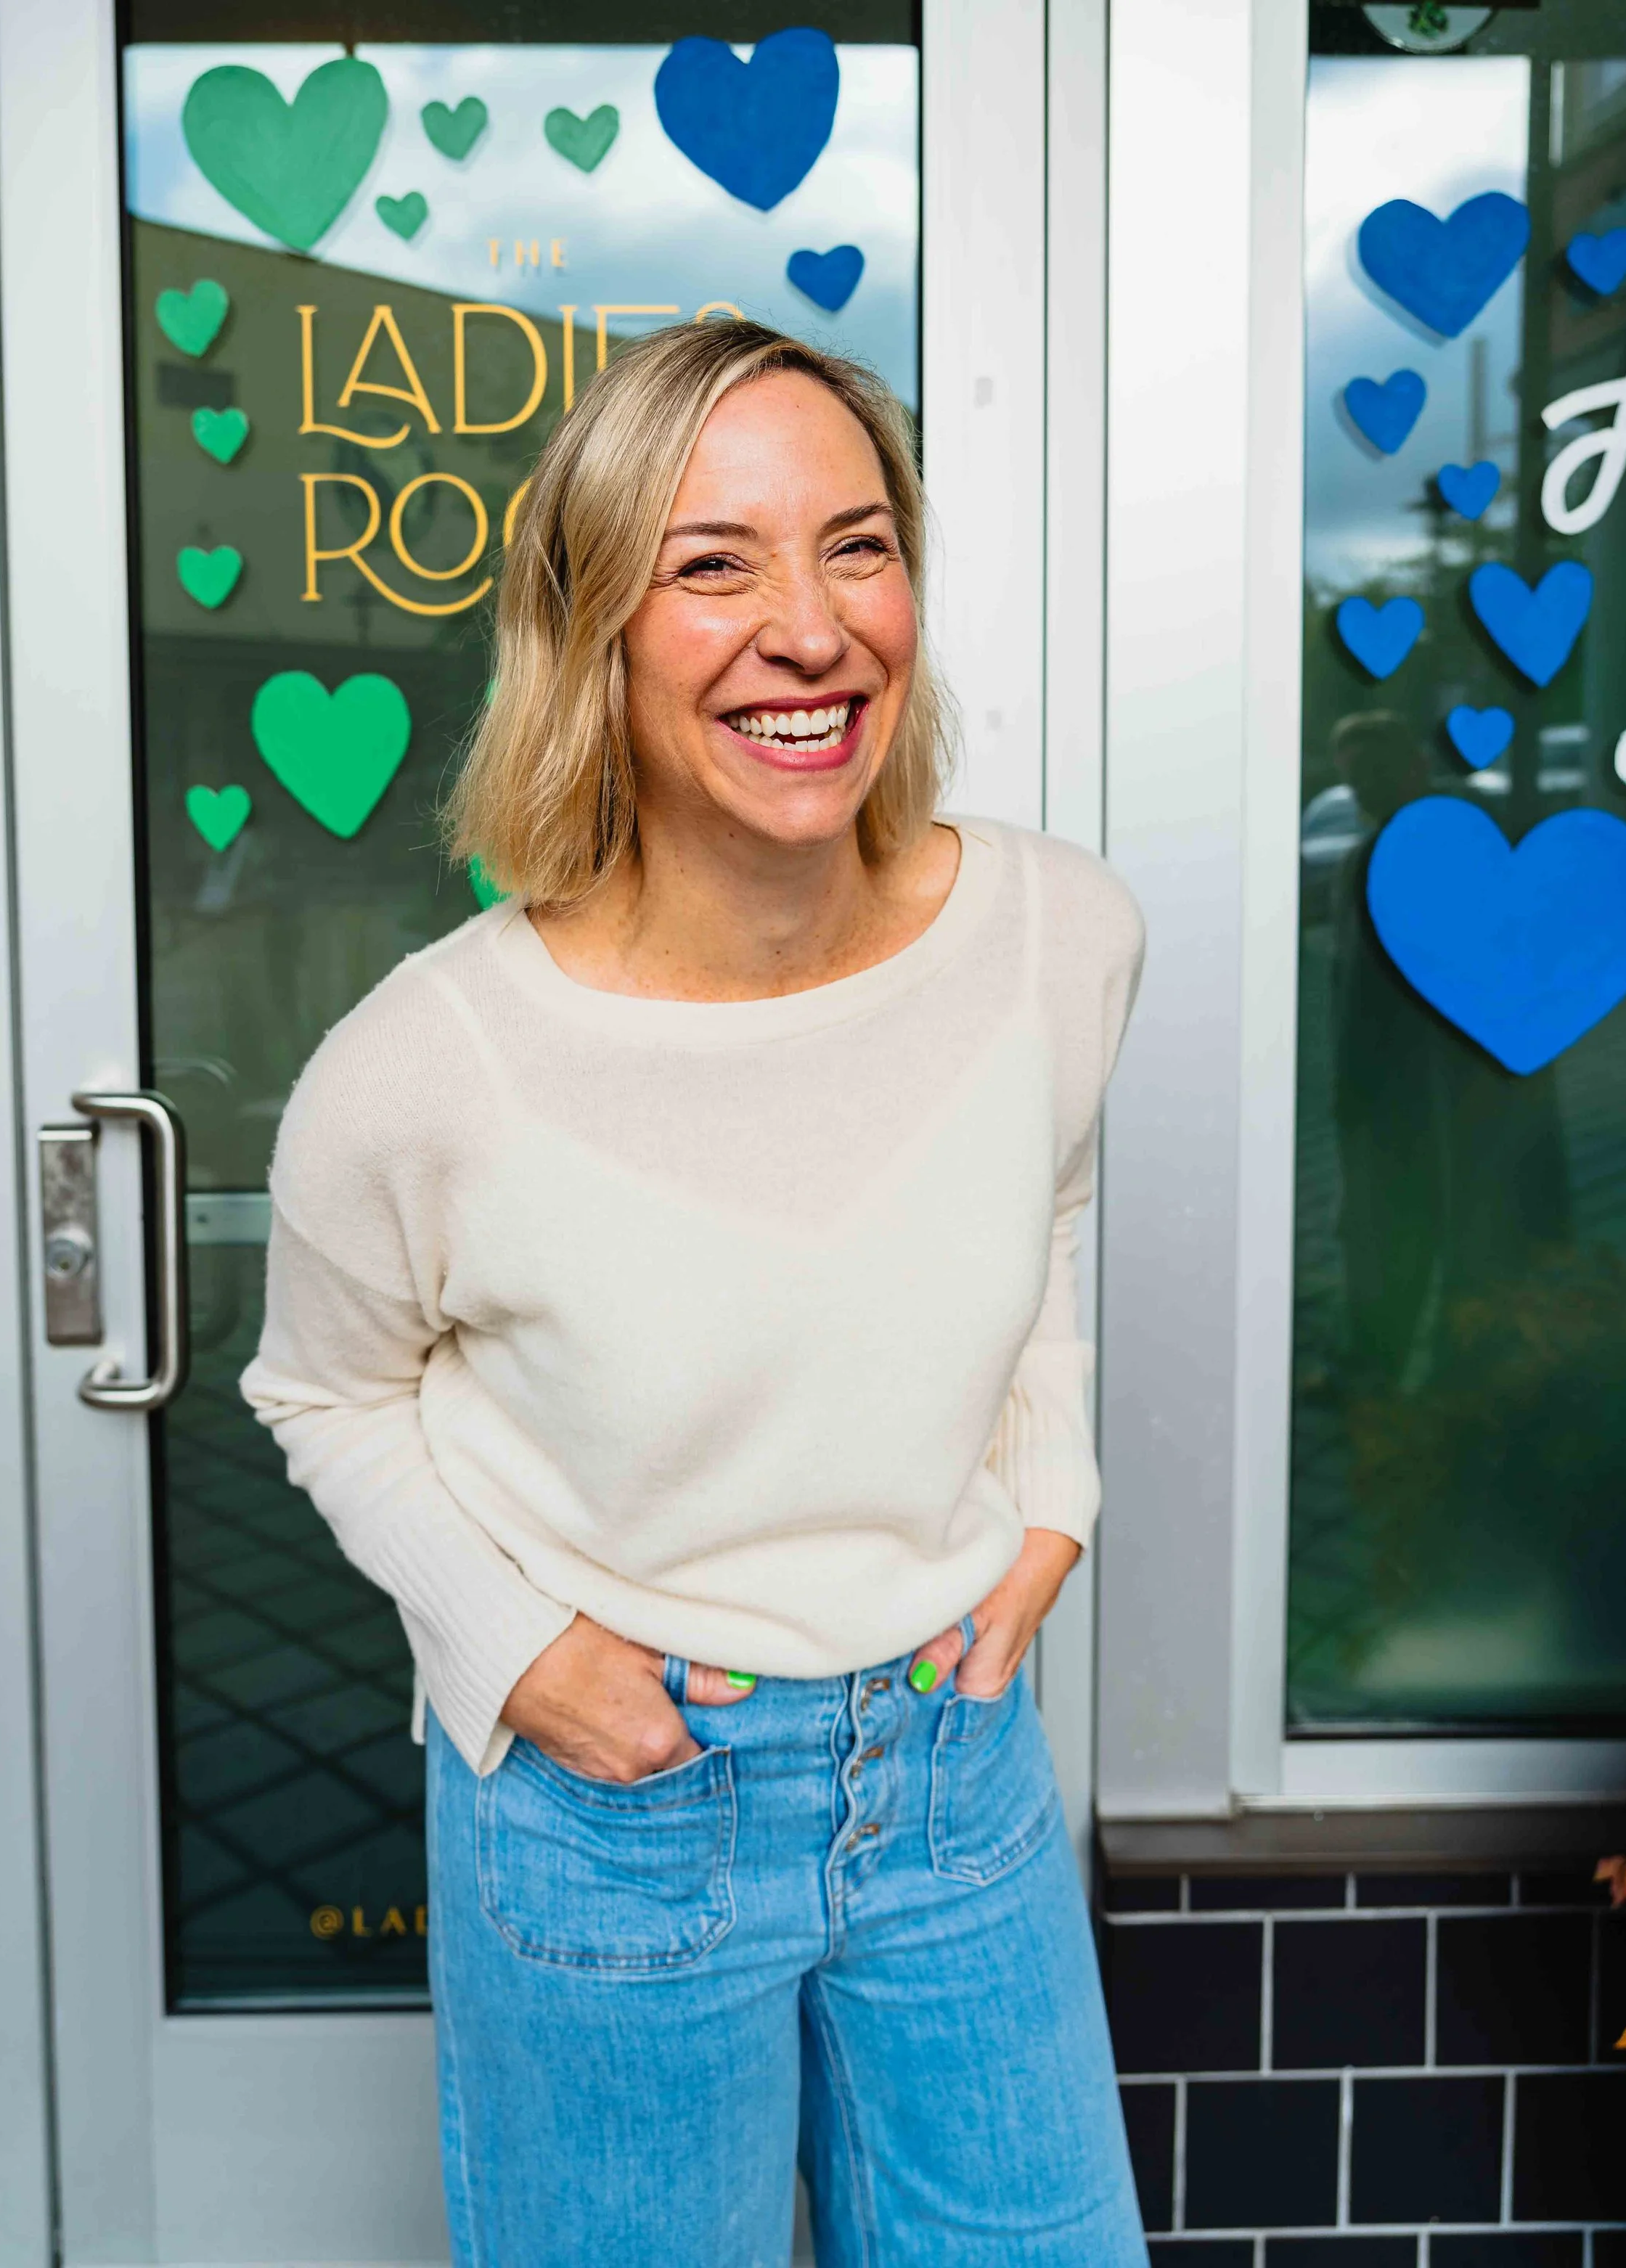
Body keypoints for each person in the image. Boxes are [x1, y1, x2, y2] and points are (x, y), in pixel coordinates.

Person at [242, 319, 1148, 2267]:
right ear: (593, 630)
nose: (808, 628)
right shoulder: (431, 1065)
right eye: (712, 563)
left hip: (952, 1764)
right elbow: (323, 1392)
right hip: (614, 1799)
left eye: (857, 544)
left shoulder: (1056, 937)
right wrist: (510, 1642)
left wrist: (1051, 1489)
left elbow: (1046, 1198)